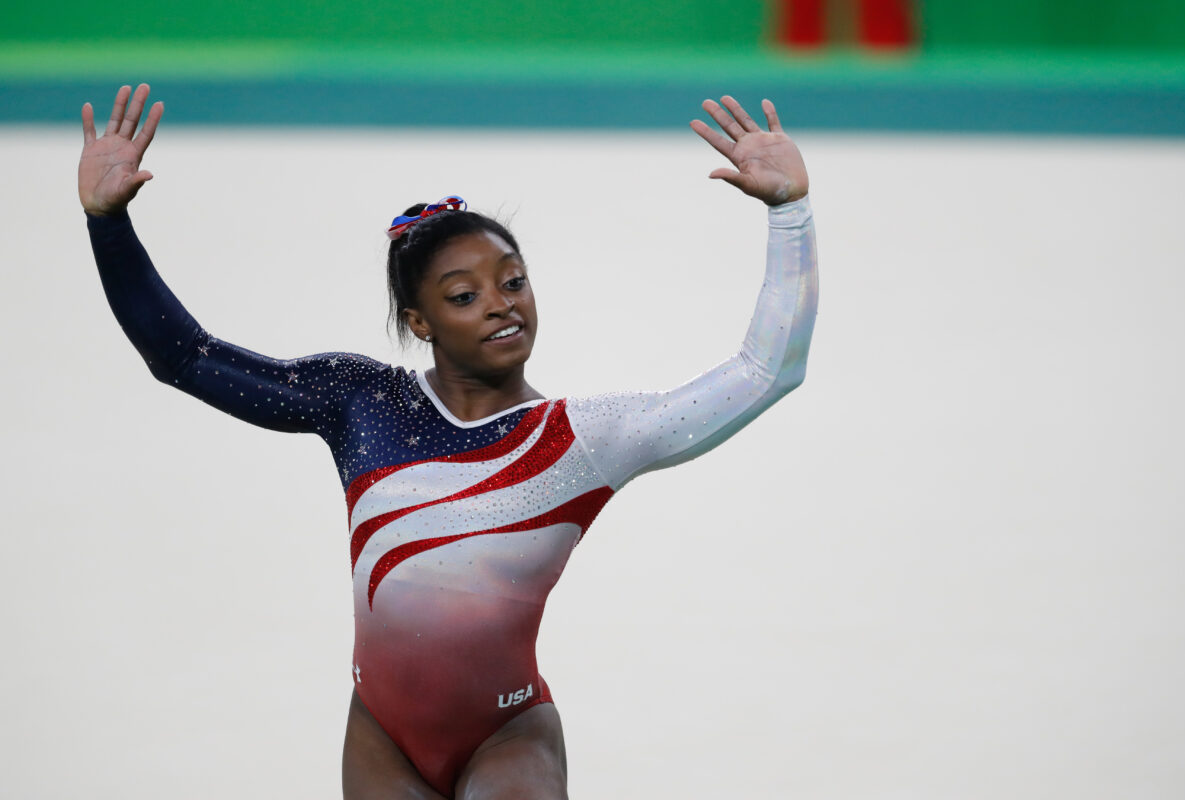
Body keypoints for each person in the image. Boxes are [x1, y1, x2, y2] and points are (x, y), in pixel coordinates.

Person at [79, 84, 818, 800]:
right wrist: (108, 226)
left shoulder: (581, 438)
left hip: (508, 734)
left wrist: (790, 213)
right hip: (380, 738)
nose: (501, 305)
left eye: (515, 281)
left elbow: (766, 370)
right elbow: (187, 358)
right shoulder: (358, 402)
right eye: (465, 296)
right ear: (420, 321)